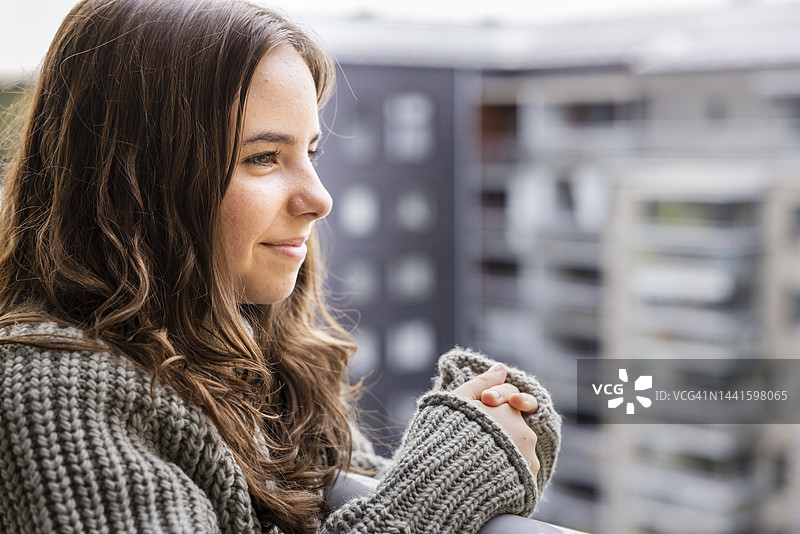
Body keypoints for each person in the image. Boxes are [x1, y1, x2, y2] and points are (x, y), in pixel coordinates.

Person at [0, 0, 561, 532]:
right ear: (135, 181)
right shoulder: (54, 389)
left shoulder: (250, 354)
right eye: (263, 158)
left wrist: (479, 438)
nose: (319, 199)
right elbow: (411, 506)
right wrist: (444, 480)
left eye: (310, 153)